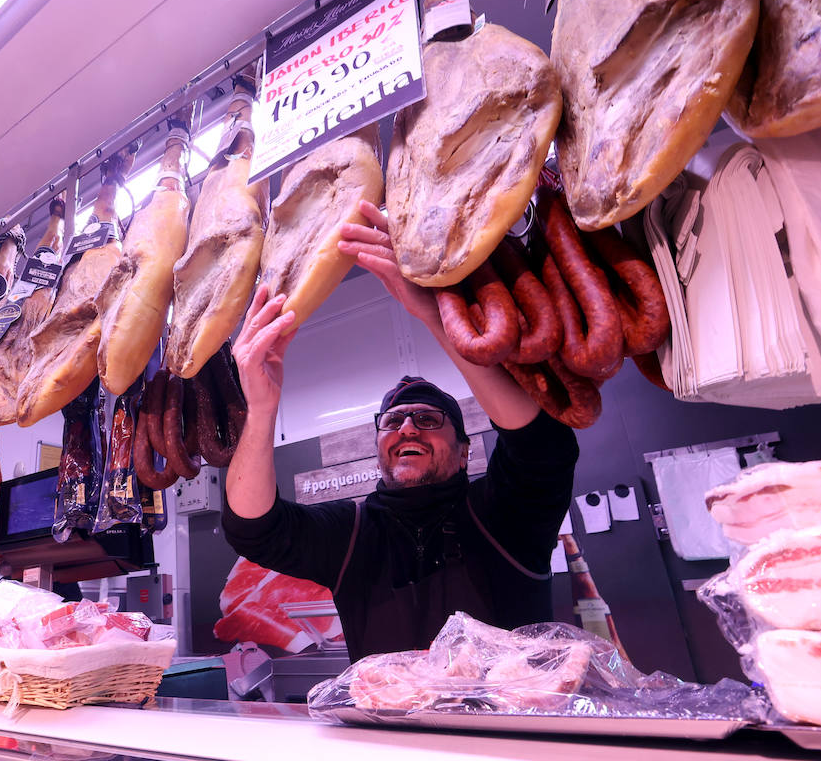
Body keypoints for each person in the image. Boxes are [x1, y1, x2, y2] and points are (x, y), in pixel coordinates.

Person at [222, 201, 580, 661]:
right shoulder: (352, 532)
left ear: (465, 451)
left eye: (428, 420)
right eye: (393, 421)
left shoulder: (503, 514)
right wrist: (262, 408)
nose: (407, 426)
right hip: (387, 730)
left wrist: (435, 316)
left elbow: (543, 448)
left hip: (508, 731)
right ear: (379, 449)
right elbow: (252, 529)